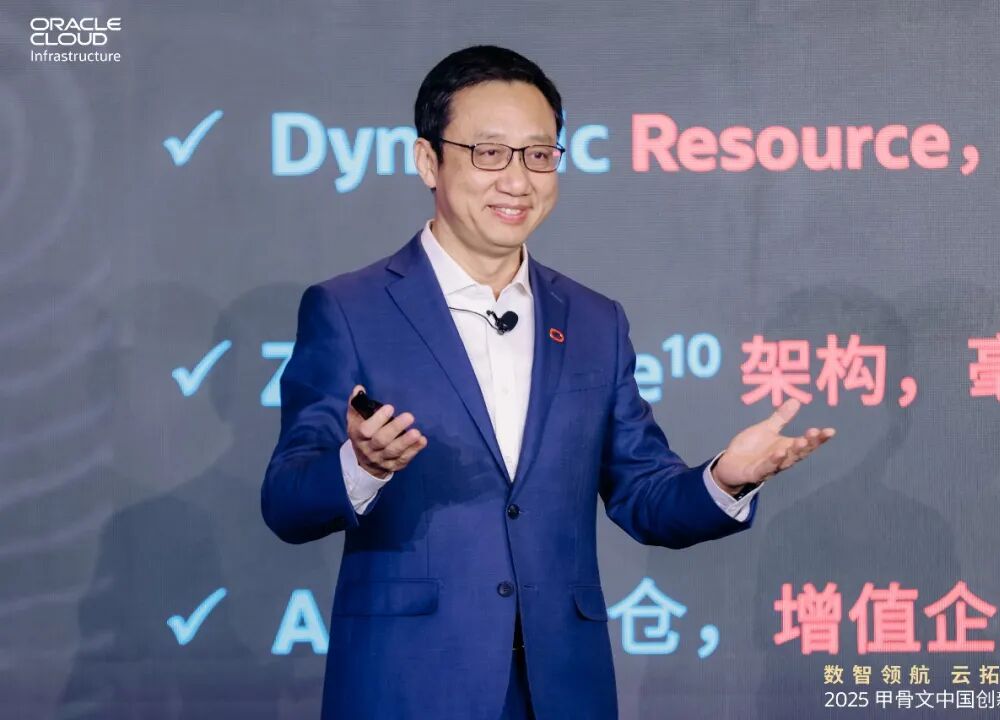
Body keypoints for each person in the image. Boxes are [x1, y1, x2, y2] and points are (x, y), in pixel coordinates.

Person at [261, 44, 835, 720]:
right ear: (428, 161)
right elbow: (287, 502)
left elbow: (644, 494)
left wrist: (725, 480)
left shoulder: (594, 320)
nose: (518, 180)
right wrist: (360, 466)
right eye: (489, 153)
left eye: (539, 155)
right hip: (408, 685)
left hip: (562, 687)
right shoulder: (349, 309)